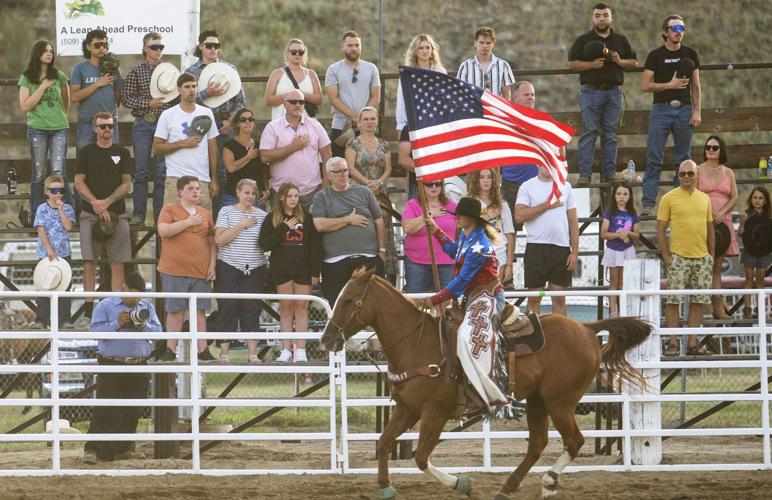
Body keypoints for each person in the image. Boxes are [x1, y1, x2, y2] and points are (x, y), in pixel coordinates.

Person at [418, 197, 511, 413]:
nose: (456, 218)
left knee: (467, 336)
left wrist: (432, 300)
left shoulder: (480, 245)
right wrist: (435, 229)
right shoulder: (467, 237)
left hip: (488, 296)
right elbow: (453, 251)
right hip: (475, 297)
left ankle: (483, 392)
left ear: (471, 219)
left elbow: (461, 282)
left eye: (459, 216)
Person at [82, 271, 162, 465]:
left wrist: (145, 327)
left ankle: (123, 448)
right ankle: (92, 449)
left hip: (138, 363)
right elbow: (94, 332)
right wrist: (117, 323)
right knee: (106, 407)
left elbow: (159, 332)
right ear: (122, 288)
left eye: (138, 294)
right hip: (111, 362)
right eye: (131, 293)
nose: (135, 299)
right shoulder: (106, 305)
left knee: (133, 407)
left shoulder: (147, 307)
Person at [568, 2, 638, 187]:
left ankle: (609, 173)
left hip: (613, 93)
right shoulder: (583, 40)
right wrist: (591, 65)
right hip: (590, 91)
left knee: (610, 135)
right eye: (598, 15)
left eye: (605, 15)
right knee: (589, 132)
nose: (601, 19)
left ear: (610, 18)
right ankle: (585, 175)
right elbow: (572, 63)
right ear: (593, 18)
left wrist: (620, 61)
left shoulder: (621, 40)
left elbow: (634, 63)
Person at [73, 112, 132, 329]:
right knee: (89, 263)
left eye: (110, 126)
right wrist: (96, 203)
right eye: (102, 126)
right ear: (94, 128)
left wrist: (106, 202)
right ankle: (88, 313)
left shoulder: (122, 152)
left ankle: (116, 313)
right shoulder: (86, 152)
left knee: (118, 264)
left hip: (117, 213)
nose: (107, 130)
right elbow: (79, 182)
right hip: (90, 213)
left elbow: (127, 183)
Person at [640, 15, 701, 215]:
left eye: (682, 27)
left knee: (683, 159)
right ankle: (649, 203)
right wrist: (670, 85)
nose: (678, 31)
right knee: (654, 156)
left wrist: (697, 110)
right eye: (674, 27)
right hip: (661, 109)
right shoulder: (655, 55)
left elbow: (696, 85)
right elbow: (645, 85)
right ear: (665, 32)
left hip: (684, 110)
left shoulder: (690, 53)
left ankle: (680, 202)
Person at [183, 29, 246, 216]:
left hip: (224, 123)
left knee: (222, 172)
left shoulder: (230, 69)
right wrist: (206, 94)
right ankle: (199, 215)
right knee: (199, 170)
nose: (213, 49)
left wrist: (231, 122)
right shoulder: (191, 72)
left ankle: (219, 217)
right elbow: (186, 100)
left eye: (216, 46)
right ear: (201, 46)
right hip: (199, 125)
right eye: (209, 45)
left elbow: (240, 101)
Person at [259, 182, 322, 363]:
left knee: (301, 307)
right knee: (286, 308)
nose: (293, 199)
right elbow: (264, 244)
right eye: (290, 196)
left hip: (303, 269)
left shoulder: (307, 218)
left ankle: (301, 350)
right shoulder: (272, 218)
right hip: (282, 269)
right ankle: (286, 350)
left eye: (296, 196)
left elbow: (314, 247)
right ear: (282, 198)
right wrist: (284, 229)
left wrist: (315, 271)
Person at [155, 176, 217, 362]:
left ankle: (203, 349)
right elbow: (163, 231)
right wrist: (188, 223)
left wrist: (213, 264)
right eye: (191, 188)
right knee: (175, 310)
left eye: (198, 188)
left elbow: (212, 239)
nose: (196, 191)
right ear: (180, 191)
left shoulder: (205, 213)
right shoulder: (169, 209)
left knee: (200, 311)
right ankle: (170, 349)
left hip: (200, 271)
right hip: (174, 270)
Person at [657, 160, 714, 356]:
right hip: (678, 256)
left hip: (702, 257)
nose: (687, 177)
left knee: (699, 301)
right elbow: (661, 228)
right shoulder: (668, 198)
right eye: (683, 174)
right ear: (678, 176)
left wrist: (711, 256)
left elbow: (710, 227)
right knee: (673, 301)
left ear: (697, 175)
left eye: (690, 173)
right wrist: (666, 255)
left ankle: (692, 344)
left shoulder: (705, 198)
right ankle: (672, 344)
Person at [312, 157, 386, 306]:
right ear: (329, 175)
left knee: (373, 305)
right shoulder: (322, 197)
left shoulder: (364, 192)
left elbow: (379, 220)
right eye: (338, 171)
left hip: (368, 258)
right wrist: (348, 220)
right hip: (335, 261)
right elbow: (319, 224)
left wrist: (382, 251)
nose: (343, 174)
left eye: (345, 170)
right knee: (339, 307)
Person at [213, 179, 268, 364]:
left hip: (255, 267)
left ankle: (252, 353)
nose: (250, 197)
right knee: (227, 308)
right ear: (238, 192)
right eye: (246, 193)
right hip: (228, 265)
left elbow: (266, 243)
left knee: (251, 309)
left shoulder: (262, 215)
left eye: (253, 193)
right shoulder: (226, 211)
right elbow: (220, 239)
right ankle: (224, 353)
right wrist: (241, 225)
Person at [18, 40, 74, 215]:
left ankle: (67, 211)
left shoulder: (59, 75)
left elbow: (66, 100)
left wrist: (60, 116)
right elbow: (25, 106)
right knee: (39, 173)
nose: (49, 53)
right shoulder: (27, 77)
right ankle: (38, 213)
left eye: (51, 51)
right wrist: (42, 86)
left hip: (59, 128)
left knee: (58, 170)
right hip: (37, 128)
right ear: (37, 53)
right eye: (45, 51)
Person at [123, 32, 173, 224]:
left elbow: (176, 98)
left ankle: (160, 215)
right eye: (154, 47)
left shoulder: (170, 72)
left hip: (164, 123)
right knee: (142, 171)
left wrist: (161, 107)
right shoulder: (136, 71)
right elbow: (127, 98)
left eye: (161, 47)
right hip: (144, 122)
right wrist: (148, 103)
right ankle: (139, 214)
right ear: (145, 49)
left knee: (161, 173)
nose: (158, 51)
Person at [515, 165, 579, 315]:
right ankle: (535, 338)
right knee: (534, 300)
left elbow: (573, 221)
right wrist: (547, 205)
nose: (548, 167)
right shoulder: (527, 186)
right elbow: (519, 216)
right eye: (544, 163)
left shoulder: (565, 186)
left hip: (561, 248)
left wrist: (575, 251)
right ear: (538, 163)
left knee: (559, 300)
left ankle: (558, 337)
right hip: (536, 247)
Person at [152, 72, 219, 211]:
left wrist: (214, 179)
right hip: (176, 179)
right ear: (179, 89)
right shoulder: (168, 115)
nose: (192, 90)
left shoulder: (206, 113)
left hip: (202, 179)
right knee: (173, 225)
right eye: (187, 86)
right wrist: (182, 143)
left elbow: (212, 148)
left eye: (194, 86)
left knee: (203, 227)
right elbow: (157, 148)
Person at [345, 106, 396, 277]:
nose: (369, 122)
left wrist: (379, 182)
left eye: (372, 118)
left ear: (377, 121)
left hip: (380, 193)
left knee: (383, 229)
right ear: (359, 122)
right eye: (365, 119)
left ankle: (383, 271)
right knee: (363, 228)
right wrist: (367, 183)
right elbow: (350, 168)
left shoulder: (384, 144)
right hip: (359, 192)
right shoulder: (353, 143)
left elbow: (388, 168)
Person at [259, 89, 332, 210]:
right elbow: (264, 157)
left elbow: (327, 155)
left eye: (301, 102)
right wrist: (293, 147)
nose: (297, 104)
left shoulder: (315, 125)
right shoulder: (272, 127)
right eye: (293, 101)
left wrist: (325, 186)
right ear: (284, 104)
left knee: (314, 229)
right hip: (281, 193)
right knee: (281, 229)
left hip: (312, 192)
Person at [696, 135, 738, 319]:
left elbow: (735, 197)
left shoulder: (728, 172)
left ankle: (718, 308)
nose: (710, 150)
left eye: (714, 147)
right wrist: (710, 213)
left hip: (723, 222)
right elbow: (694, 194)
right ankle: (704, 306)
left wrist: (721, 212)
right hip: (704, 220)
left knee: (717, 266)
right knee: (702, 264)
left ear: (721, 150)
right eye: (708, 147)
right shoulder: (697, 170)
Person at [325, 31, 381, 157]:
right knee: (340, 165)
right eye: (350, 45)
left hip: (366, 125)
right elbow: (333, 99)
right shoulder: (333, 69)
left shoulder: (371, 68)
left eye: (357, 45)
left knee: (366, 164)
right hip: (341, 126)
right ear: (343, 46)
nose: (354, 48)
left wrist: (363, 117)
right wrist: (354, 116)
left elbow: (376, 96)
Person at [32, 174, 75, 329]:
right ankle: (41, 319)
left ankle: (64, 319)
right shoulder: (42, 209)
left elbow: (69, 227)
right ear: (47, 191)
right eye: (54, 190)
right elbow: (40, 229)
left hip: (64, 253)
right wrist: (49, 249)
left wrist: (61, 209)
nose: (58, 194)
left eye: (61, 190)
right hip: (46, 254)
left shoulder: (68, 208)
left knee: (65, 286)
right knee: (44, 285)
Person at [70, 29, 123, 153]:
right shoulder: (79, 68)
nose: (102, 48)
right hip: (87, 122)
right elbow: (74, 97)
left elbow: (118, 97)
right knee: (84, 163)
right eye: (97, 45)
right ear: (88, 46)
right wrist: (98, 84)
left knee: (112, 162)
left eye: (105, 45)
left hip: (109, 122)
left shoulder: (115, 68)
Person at [401, 181, 457, 293]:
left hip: (446, 262)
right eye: (429, 184)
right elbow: (407, 228)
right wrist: (430, 214)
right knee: (417, 302)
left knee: (447, 304)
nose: (434, 187)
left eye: (438, 184)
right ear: (422, 185)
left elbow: (462, 229)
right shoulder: (413, 204)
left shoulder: (452, 206)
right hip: (417, 262)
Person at [467, 169, 515, 285]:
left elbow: (509, 236)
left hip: (499, 255)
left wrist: (509, 265)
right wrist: (488, 216)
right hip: (476, 254)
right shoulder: (469, 202)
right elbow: (468, 229)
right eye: (482, 177)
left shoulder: (502, 205)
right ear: (476, 180)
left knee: (496, 293)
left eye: (489, 177)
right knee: (478, 294)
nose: (486, 180)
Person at [500, 81, 539, 225]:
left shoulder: (540, 121)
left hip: (536, 183)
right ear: (515, 99)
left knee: (537, 227)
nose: (531, 97)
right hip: (511, 184)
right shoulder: (507, 121)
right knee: (510, 229)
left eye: (533, 94)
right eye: (526, 94)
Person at [600, 182, 640, 317]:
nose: (622, 197)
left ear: (629, 196)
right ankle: (613, 311)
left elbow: (637, 234)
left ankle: (624, 310)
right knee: (614, 281)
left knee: (624, 282)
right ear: (614, 196)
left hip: (627, 250)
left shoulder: (633, 213)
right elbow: (603, 233)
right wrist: (619, 235)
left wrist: (627, 234)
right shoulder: (609, 213)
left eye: (625, 194)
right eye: (619, 194)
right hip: (613, 250)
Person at [395, 33, 447, 132]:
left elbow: (443, 99)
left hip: (435, 122)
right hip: (413, 122)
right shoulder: (407, 73)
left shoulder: (441, 72)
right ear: (415, 51)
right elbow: (401, 101)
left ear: (432, 50)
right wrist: (401, 125)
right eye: (421, 48)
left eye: (428, 47)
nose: (425, 51)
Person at [264, 38, 323, 121]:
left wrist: (301, 94)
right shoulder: (277, 73)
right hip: (281, 123)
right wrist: (290, 96)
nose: (297, 54)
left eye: (301, 52)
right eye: (293, 52)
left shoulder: (311, 74)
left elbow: (319, 100)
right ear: (287, 54)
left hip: (307, 122)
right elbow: (268, 100)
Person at [222, 108, 269, 209]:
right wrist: (248, 157)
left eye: (250, 119)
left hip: (255, 197)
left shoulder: (259, 145)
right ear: (238, 123)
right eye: (243, 120)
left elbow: (264, 169)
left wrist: (266, 189)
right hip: (233, 197)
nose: (247, 122)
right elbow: (231, 168)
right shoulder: (229, 145)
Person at [738, 186, 771, 319]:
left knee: (760, 279)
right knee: (749, 278)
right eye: (755, 197)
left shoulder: (769, 216)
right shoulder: (746, 215)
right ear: (751, 199)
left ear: (766, 201)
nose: (757, 201)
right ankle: (747, 309)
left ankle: (760, 309)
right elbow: (740, 233)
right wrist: (742, 225)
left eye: (760, 198)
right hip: (750, 250)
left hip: (764, 251)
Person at [457, 26, 515, 99]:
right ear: (475, 43)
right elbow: (461, 93)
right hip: (474, 108)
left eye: (488, 43)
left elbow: (506, 95)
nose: (484, 46)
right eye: (481, 42)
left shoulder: (503, 66)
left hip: (495, 108)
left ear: (493, 44)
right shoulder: (465, 67)